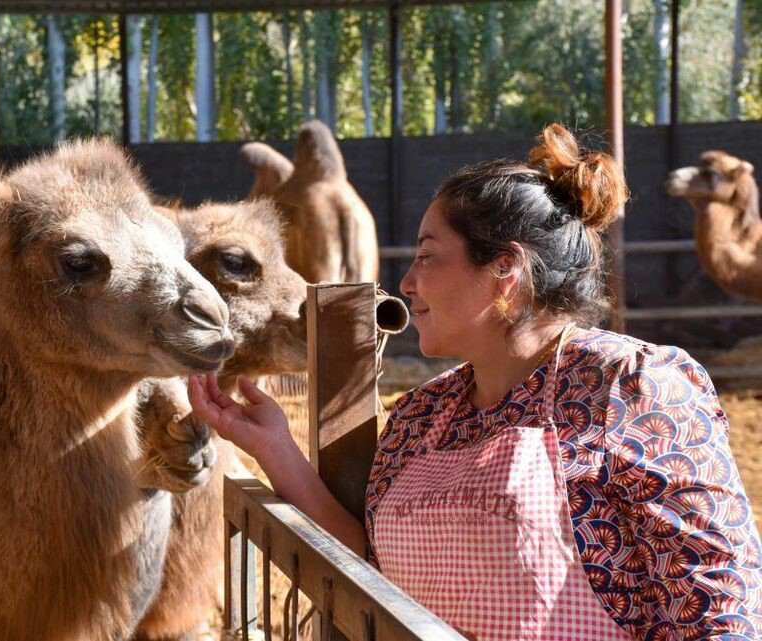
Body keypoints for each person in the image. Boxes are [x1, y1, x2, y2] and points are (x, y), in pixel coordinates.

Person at [188, 124, 762, 641]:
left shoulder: (631, 389)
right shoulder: (422, 414)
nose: (407, 283)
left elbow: (719, 613)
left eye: (428, 257)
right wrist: (273, 447)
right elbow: (369, 564)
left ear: (505, 273)